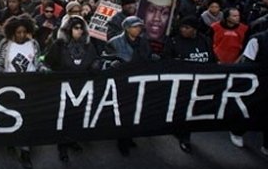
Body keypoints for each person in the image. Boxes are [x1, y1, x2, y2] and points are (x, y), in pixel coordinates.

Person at [0, 15, 48, 169]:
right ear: (12, 32)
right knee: (11, 118)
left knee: (27, 119)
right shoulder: (5, 44)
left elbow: (38, 61)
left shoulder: (33, 44)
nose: (21, 35)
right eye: (18, 32)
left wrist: (42, 68)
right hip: (10, 87)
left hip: (29, 86)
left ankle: (25, 151)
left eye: (24, 32)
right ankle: (10, 141)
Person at [45, 16, 99, 161]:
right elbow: (48, 62)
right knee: (63, 117)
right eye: (76, 28)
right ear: (69, 29)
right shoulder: (59, 45)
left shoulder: (88, 45)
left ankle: (72, 140)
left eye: (81, 28)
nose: (79, 31)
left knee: (77, 116)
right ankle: (62, 146)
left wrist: (95, 65)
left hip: (81, 88)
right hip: (63, 88)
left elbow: (95, 59)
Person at [162, 16, 215, 153]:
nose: (183, 30)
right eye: (182, 27)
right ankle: (182, 135)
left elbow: (212, 58)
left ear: (195, 29)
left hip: (200, 83)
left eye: (187, 28)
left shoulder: (205, 40)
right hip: (181, 84)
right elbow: (166, 61)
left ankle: (183, 133)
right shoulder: (173, 41)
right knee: (182, 109)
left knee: (191, 111)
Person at [105, 16, 153, 156]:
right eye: (135, 26)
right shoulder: (114, 42)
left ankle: (129, 136)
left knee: (135, 111)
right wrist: (111, 64)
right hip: (122, 84)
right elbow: (104, 60)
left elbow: (148, 57)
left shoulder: (144, 42)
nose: (138, 29)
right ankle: (122, 141)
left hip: (139, 81)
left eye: (140, 27)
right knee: (124, 112)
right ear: (126, 28)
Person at [228, 29, 268, 155]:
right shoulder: (258, 40)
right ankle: (237, 131)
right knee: (250, 108)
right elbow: (248, 63)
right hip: (258, 81)